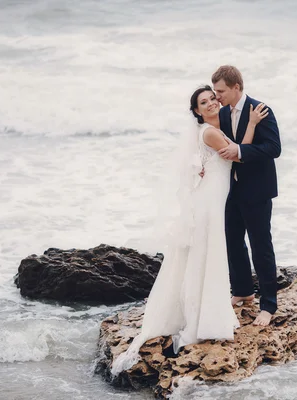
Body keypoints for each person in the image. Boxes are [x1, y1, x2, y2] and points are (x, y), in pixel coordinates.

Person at [110, 85, 269, 375]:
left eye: (212, 99)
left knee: (209, 254)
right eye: (203, 103)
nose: (209, 104)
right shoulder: (209, 132)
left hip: (214, 196)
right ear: (196, 111)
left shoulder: (212, 129)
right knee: (208, 255)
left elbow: (230, 151)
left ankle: (208, 308)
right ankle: (201, 319)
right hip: (209, 201)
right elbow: (236, 155)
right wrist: (254, 124)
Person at [212, 65, 281, 326]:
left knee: (261, 246)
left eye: (221, 91)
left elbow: (274, 148)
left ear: (236, 87)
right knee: (232, 242)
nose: (217, 96)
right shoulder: (222, 113)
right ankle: (242, 291)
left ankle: (269, 305)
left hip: (257, 190)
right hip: (232, 190)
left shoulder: (260, 110)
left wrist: (240, 153)